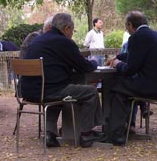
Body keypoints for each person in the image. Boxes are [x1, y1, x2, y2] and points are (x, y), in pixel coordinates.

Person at [19, 13, 102, 148]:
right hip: (50, 91)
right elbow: (84, 67)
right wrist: (94, 62)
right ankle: (86, 134)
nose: (72, 34)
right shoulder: (64, 42)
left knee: (56, 92)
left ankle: (50, 134)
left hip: (29, 92)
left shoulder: (37, 40)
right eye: (72, 30)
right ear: (66, 28)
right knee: (91, 92)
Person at [97, 11, 157, 146]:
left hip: (153, 87)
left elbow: (130, 69)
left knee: (116, 86)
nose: (127, 29)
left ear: (130, 25)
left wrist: (117, 64)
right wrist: (119, 57)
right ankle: (125, 126)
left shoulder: (137, 37)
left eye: (126, 26)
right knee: (124, 86)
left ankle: (115, 134)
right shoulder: (154, 35)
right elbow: (138, 56)